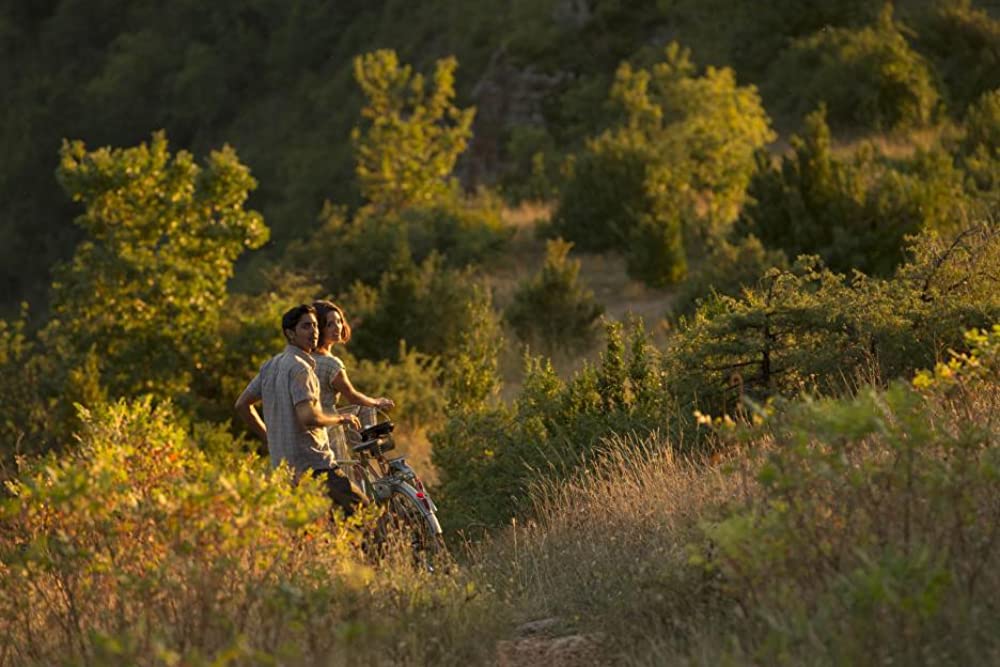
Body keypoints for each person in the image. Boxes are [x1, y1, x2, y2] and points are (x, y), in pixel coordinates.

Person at [234, 304, 366, 515]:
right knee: (366, 515)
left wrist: (269, 437)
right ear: (290, 333)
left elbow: (242, 405)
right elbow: (309, 416)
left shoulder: (270, 365)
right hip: (315, 466)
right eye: (305, 327)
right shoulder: (300, 368)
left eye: (315, 326)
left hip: (284, 468)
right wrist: (342, 418)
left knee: (312, 532)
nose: (313, 332)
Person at [311, 300, 395, 460]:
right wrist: (377, 402)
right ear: (320, 329)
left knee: (364, 407)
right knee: (367, 404)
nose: (337, 327)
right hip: (327, 422)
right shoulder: (331, 363)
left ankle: (363, 452)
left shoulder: (307, 357)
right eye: (329, 325)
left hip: (314, 419)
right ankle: (367, 455)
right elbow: (351, 395)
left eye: (339, 321)